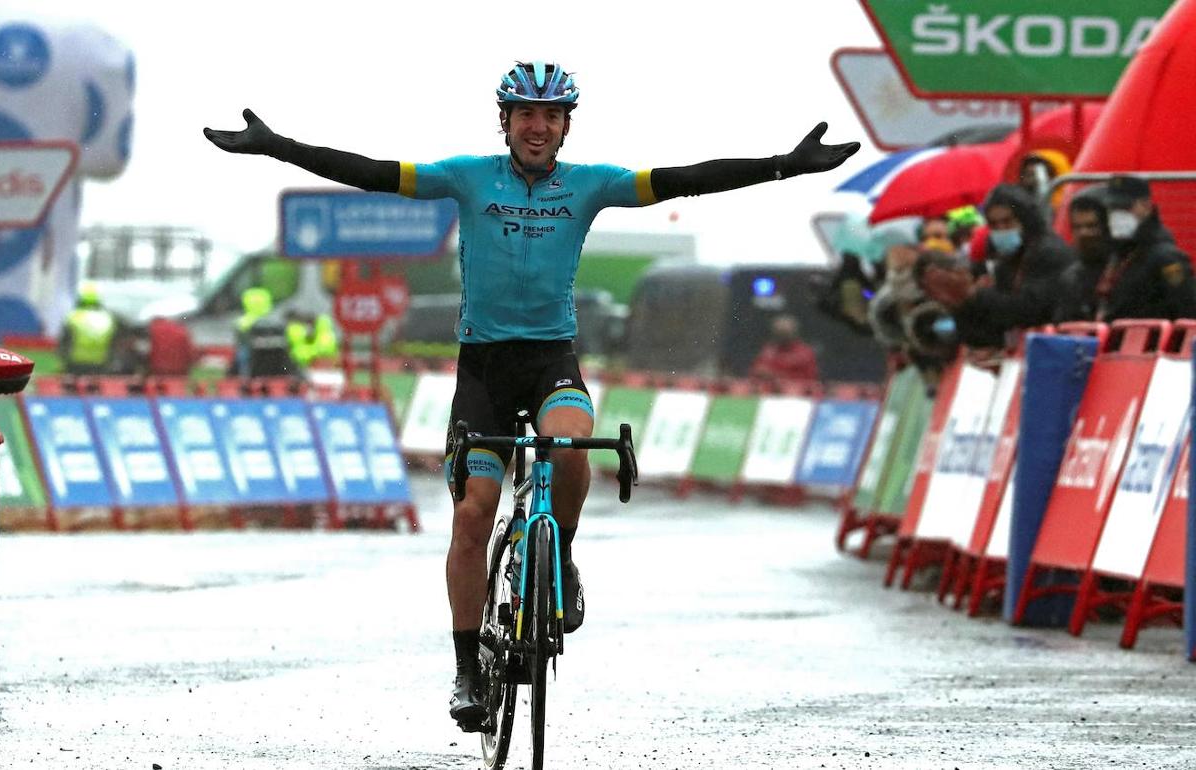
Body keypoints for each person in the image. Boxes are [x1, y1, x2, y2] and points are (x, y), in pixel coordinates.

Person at [204, 60, 859, 731]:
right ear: (506, 121)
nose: (537, 127)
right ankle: (467, 669)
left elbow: (683, 179)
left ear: (566, 126)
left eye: (550, 116)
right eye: (525, 114)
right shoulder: (466, 176)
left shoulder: (592, 185)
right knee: (471, 517)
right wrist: (277, 146)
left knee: (570, 446)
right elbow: (374, 173)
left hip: (551, 362)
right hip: (483, 372)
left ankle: (561, 555)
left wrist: (784, 165)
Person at [920, 184, 1072, 350]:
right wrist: (962, 306)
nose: (1001, 230)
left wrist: (975, 295)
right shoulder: (1005, 262)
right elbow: (995, 330)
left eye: (1007, 222)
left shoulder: (1049, 253)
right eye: (994, 224)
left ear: (1025, 220)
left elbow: (1030, 311)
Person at [1094, 175, 1196, 322]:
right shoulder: (1118, 252)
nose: (1117, 216)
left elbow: (1187, 308)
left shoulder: (1166, 258)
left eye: (1125, 208)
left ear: (1146, 206)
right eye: (1112, 209)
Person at [1053, 188, 1111, 323]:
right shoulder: (1071, 278)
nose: (1083, 234)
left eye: (1092, 226)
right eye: (1077, 227)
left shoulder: (1125, 269)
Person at [59, 282, 119, 376]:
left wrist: (63, 360)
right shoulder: (107, 319)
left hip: (75, 364)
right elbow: (114, 344)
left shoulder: (73, 317)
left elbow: (64, 343)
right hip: (100, 365)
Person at [749, 315, 819, 384]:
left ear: (794, 333)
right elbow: (756, 370)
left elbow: (810, 377)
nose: (782, 336)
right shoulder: (769, 350)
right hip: (769, 388)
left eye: (785, 333)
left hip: (797, 388)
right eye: (779, 333)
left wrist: (776, 375)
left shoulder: (804, 351)